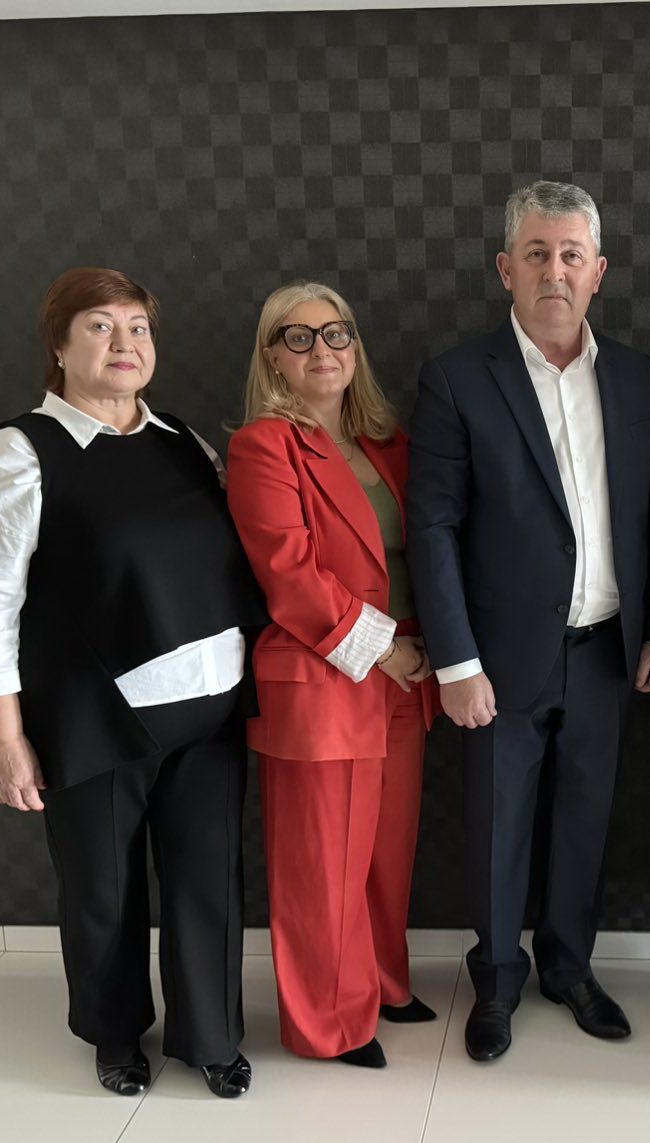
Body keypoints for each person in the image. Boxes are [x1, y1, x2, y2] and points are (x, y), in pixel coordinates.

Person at [0, 267, 265, 1098]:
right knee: (103, 888)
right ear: (58, 346)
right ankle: (115, 1032)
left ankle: (211, 1036)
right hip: (96, 714)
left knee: (207, 880)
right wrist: (4, 738)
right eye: (100, 326)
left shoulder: (183, 441)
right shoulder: (18, 453)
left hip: (211, 711)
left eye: (138, 327)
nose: (125, 343)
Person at [407, 180, 650, 1063]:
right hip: (498, 660)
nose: (553, 272)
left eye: (570, 256)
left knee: (585, 821)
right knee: (497, 827)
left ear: (598, 271)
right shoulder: (458, 377)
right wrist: (456, 663)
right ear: (505, 269)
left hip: (607, 651)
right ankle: (495, 983)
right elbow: (433, 526)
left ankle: (569, 968)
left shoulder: (635, 375)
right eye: (536, 254)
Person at [227, 281, 439, 1070]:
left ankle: (381, 983)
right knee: (324, 864)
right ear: (272, 356)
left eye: (336, 333)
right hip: (327, 679)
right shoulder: (264, 447)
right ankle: (328, 1022)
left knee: (386, 851)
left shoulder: (388, 444)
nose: (322, 349)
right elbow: (291, 577)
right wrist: (385, 651)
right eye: (299, 336)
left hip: (404, 677)